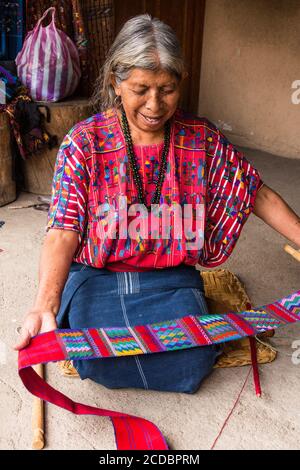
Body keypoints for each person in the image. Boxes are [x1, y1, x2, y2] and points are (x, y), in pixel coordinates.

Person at [14, 14, 300, 393]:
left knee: (191, 360)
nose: (154, 104)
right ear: (116, 82)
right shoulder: (84, 143)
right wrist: (44, 305)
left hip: (170, 278)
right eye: (140, 89)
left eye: (167, 89)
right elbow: (63, 229)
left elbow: (255, 192)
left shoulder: (201, 139)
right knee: (94, 354)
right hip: (98, 277)